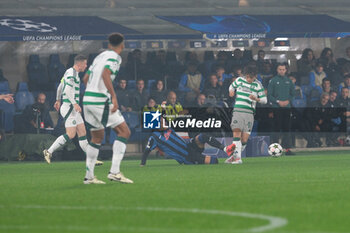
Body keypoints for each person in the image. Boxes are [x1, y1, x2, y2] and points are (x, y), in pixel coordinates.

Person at [82, 33, 133, 184]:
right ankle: (115, 172)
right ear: (122, 45)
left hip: (87, 99)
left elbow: (85, 78)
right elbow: (106, 73)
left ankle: (89, 177)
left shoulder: (99, 56)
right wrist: (113, 97)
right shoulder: (116, 57)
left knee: (96, 137)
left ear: (109, 44)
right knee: (124, 132)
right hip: (100, 101)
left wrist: (92, 93)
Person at [42, 55, 103, 165]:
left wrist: (57, 99)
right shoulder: (72, 74)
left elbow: (60, 86)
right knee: (70, 134)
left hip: (71, 107)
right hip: (70, 108)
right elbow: (67, 89)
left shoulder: (68, 72)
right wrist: (74, 103)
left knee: (82, 132)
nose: (86, 66)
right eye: (85, 64)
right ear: (79, 64)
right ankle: (48, 151)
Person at [140, 120, 236, 166]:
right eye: (162, 122)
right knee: (214, 161)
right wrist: (142, 164)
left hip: (189, 145)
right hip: (187, 156)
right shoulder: (154, 137)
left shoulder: (167, 128)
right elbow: (147, 151)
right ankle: (227, 160)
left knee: (203, 136)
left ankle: (225, 149)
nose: (165, 123)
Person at [225, 65, 267, 164]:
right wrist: (231, 91)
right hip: (238, 110)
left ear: (255, 76)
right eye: (247, 77)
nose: (248, 79)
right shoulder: (239, 80)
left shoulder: (258, 85)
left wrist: (256, 99)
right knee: (236, 132)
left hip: (249, 113)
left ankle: (233, 156)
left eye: (251, 78)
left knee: (244, 139)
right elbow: (231, 86)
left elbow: (265, 100)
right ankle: (238, 158)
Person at [267, 63, 295, 155]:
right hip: (276, 108)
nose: (282, 71)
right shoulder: (273, 81)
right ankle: (274, 150)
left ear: (286, 70)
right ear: (277, 70)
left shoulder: (289, 81)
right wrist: (278, 101)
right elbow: (269, 95)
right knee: (276, 129)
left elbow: (293, 94)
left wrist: (287, 101)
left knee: (287, 129)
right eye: (280, 69)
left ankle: (287, 149)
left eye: (283, 69)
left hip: (287, 108)